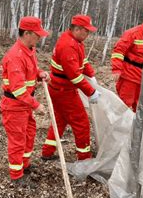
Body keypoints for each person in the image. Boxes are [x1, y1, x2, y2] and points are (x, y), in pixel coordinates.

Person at [41, 15, 100, 161]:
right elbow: (75, 76)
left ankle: (47, 152)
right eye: (86, 31)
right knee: (81, 123)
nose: (88, 34)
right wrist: (91, 92)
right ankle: (84, 158)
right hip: (64, 90)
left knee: (60, 120)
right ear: (78, 29)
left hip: (58, 88)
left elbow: (83, 61)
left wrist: (91, 75)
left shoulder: (76, 41)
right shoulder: (68, 45)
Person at [1, 16, 50, 186]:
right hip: (15, 106)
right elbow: (18, 90)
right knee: (17, 140)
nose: (40, 38)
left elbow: (32, 70)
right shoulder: (16, 56)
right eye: (37, 35)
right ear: (27, 33)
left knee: (29, 134)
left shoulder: (30, 49)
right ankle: (16, 175)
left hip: (25, 105)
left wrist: (40, 73)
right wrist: (37, 105)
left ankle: (25, 165)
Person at [111, 11, 143, 112]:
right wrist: (116, 69)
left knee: (141, 108)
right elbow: (118, 51)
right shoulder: (132, 33)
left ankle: (134, 127)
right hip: (129, 76)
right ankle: (114, 125)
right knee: (123, 105)